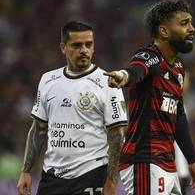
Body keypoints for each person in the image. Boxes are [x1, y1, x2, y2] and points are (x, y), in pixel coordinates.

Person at [104, 0, 195, 195]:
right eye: (184, 23)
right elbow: (134, 71)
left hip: (167, 163)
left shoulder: (178, 68)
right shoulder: (148, 57)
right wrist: (122, 76)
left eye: (191, 22)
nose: (192, 28)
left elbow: (179, 119)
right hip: (145, 160)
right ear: (164, 31)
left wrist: (193, 161)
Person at [17, 21, 128, 195]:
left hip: (91, 174)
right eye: (77, 45)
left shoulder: (108, 82)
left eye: (88, 44)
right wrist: (26, 170)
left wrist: (112, 181)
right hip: (52, 176)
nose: (84, 50)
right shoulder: (47, 80)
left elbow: (117, 136)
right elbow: (38, 129)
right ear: (63, 47)